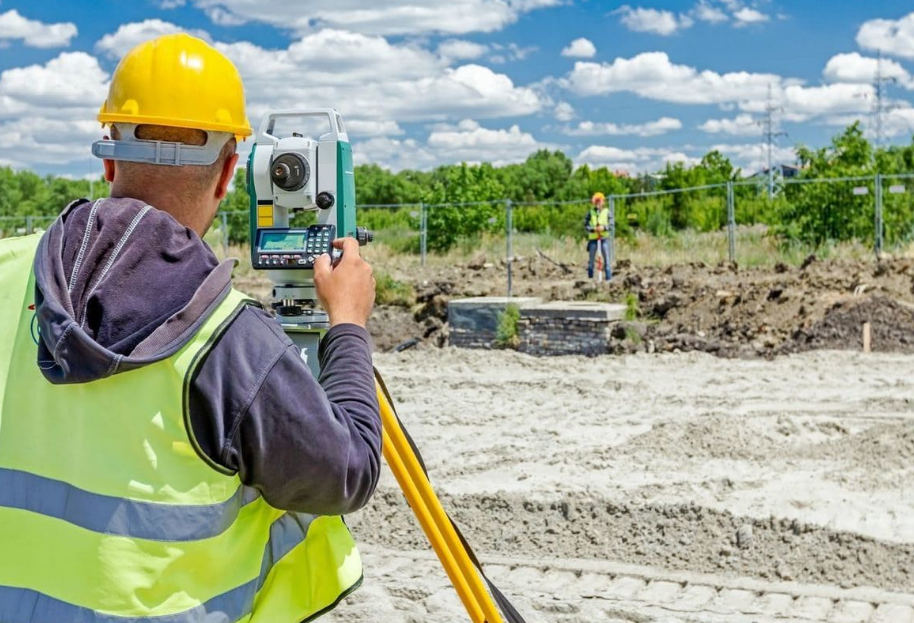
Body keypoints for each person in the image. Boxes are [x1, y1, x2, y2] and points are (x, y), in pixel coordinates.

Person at [0, 34, 380, 622]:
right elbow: (346, 474)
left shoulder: (6, 271)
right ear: (230, 172)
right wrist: (348, 326)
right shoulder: (231, 342)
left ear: (106, 160)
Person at [585, 191, 612, 281]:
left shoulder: (607, 212)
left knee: (607, 260)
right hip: (593, 239)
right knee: (591, 261)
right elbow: (586, 225)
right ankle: (590, 278)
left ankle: (608, 279)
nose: (598, 203)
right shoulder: (590, 212)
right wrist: (593, 229)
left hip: (604, 239)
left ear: (603, 202)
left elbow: (611, 225)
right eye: (596, 201)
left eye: (599, 201)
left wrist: (603, 228)